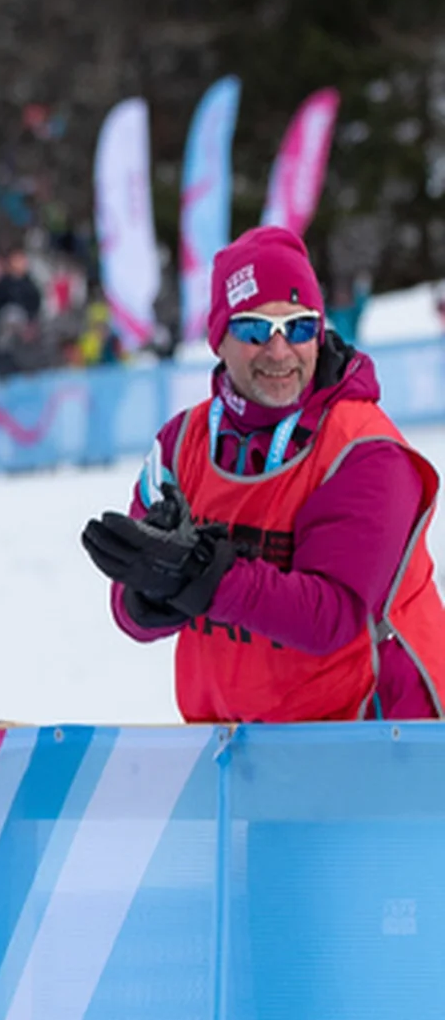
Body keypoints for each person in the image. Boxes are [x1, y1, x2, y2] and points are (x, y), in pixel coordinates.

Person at [82, 226, 445, 721]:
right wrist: (152, 590)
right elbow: (129, 611)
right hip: (237, 748)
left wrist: (203, 576)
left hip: (375, 740)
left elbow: (332, 618)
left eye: (297, 327)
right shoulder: (181, 443)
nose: (279, 352)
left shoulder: (364, 451)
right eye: (254, 329)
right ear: (219, 339)